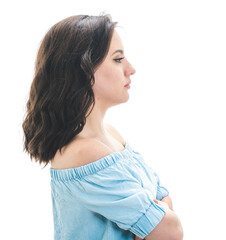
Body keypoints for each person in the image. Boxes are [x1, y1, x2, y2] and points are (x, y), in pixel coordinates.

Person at [22, 14, 183, 240]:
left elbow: (163, 197)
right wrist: (157, 218)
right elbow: (170, 231)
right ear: (82, 71)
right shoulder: (84, 152)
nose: (131, 68)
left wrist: (157, 219)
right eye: (118, 59)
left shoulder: (111, 135)